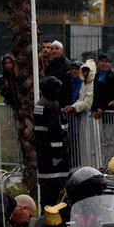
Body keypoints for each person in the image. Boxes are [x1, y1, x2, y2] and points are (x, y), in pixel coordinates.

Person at [34, 77, 68, 205]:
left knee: (46, 195)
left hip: (43, 155)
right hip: (53, 160)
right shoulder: (52, 105)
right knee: (54, 195)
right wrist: (58, 154)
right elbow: (55, 131)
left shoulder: (40, 104)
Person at [91, 53, 114, 119]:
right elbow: (95, 94)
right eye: (102, 61)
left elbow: (113, 97)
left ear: (110, 64)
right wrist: (94, 109)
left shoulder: (113, 78)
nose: (103, 63)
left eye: (106, 61)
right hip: (101, 114)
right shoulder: (97, 76)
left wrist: (103, 108)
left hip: (112, 115)